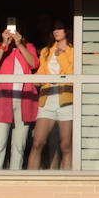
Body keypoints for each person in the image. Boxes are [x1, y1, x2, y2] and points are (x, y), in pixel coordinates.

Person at [0, 21, 40, 170]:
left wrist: (19, 44)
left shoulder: (28, 47)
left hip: (24, 101)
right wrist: (4, 44)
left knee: (19, 145)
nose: (12, 31)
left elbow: (34, 64)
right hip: (1, 101)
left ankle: (15, 177)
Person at [28, 19, 76, 170]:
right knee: (37, 143)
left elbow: (71, 74)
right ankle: (28, 180)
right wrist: (34, 80)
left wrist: (61, 55)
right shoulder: (46, 50)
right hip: (47, 98)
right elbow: (42, 71)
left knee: (66, 145)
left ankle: (67, 181)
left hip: (66, 100)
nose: (56, 31)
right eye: (54, 29)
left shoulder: (73, 50)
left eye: (60, 28)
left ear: (66, 31)